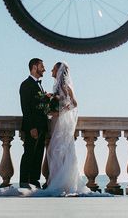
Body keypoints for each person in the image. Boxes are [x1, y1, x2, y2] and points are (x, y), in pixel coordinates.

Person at [40, 61, 89, 195]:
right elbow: (60, 101)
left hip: (63, 123)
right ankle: (57, 181)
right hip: (56, 122)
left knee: (60, 151)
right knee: (55, 152)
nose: (51, 71)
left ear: (59, 71)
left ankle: (64, 183)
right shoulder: (57, 86)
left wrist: (59, 112)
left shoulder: (65, 85)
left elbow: (74, 103)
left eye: (53, 69)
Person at [19, 58, 49, 189]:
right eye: (42, 66)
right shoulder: (26, 84)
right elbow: (25, 108)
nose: (44, 69)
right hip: (33, 127)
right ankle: (24, 180)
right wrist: (32, 127)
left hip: (42, 126)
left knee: (38, 154)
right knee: (29, 153)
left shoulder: (39, 85)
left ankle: (34, 180)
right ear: (34, 67)